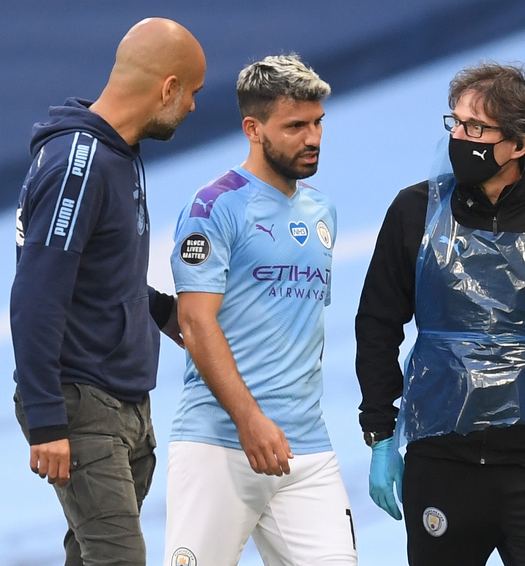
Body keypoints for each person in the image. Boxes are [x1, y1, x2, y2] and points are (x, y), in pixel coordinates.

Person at [355, 61, 525, 566]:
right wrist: (380, 434)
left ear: (520, 145)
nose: (460, 138)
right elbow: (376, 325)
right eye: (455, 123)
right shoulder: (413, 212)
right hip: (441, 461)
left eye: (476, 128)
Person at [9, 18, 205, 566]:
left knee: (92, 557)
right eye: (191, 93)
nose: (192, 107)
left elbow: (96, 274)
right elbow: (36, 296)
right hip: (81, 401)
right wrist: (47, 419)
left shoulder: (117, 154)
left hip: (125, 398)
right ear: (168, 88)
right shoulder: (82, 165)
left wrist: (165, 315)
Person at [163, 54, 357, 566]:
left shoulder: (323, 211)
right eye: (295, 126)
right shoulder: (213, 209)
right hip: (221, 444)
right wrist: (249, 419)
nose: (313, 138)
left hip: (306, 447)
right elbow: (194, 322)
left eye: (318, 123)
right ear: (253, 128)